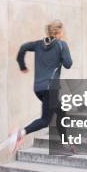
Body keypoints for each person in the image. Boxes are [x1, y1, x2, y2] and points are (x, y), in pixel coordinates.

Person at [10, 20, 73, 153]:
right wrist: (61, 55)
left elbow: (23, 48)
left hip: (39, 88)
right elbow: (68, 64)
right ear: (59, 31)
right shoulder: (61, 45)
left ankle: (65, 143)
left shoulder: (38, 44)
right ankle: (22, 132)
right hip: (51, 88)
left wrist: (22, 65)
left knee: (61, 111)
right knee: (45, 120)